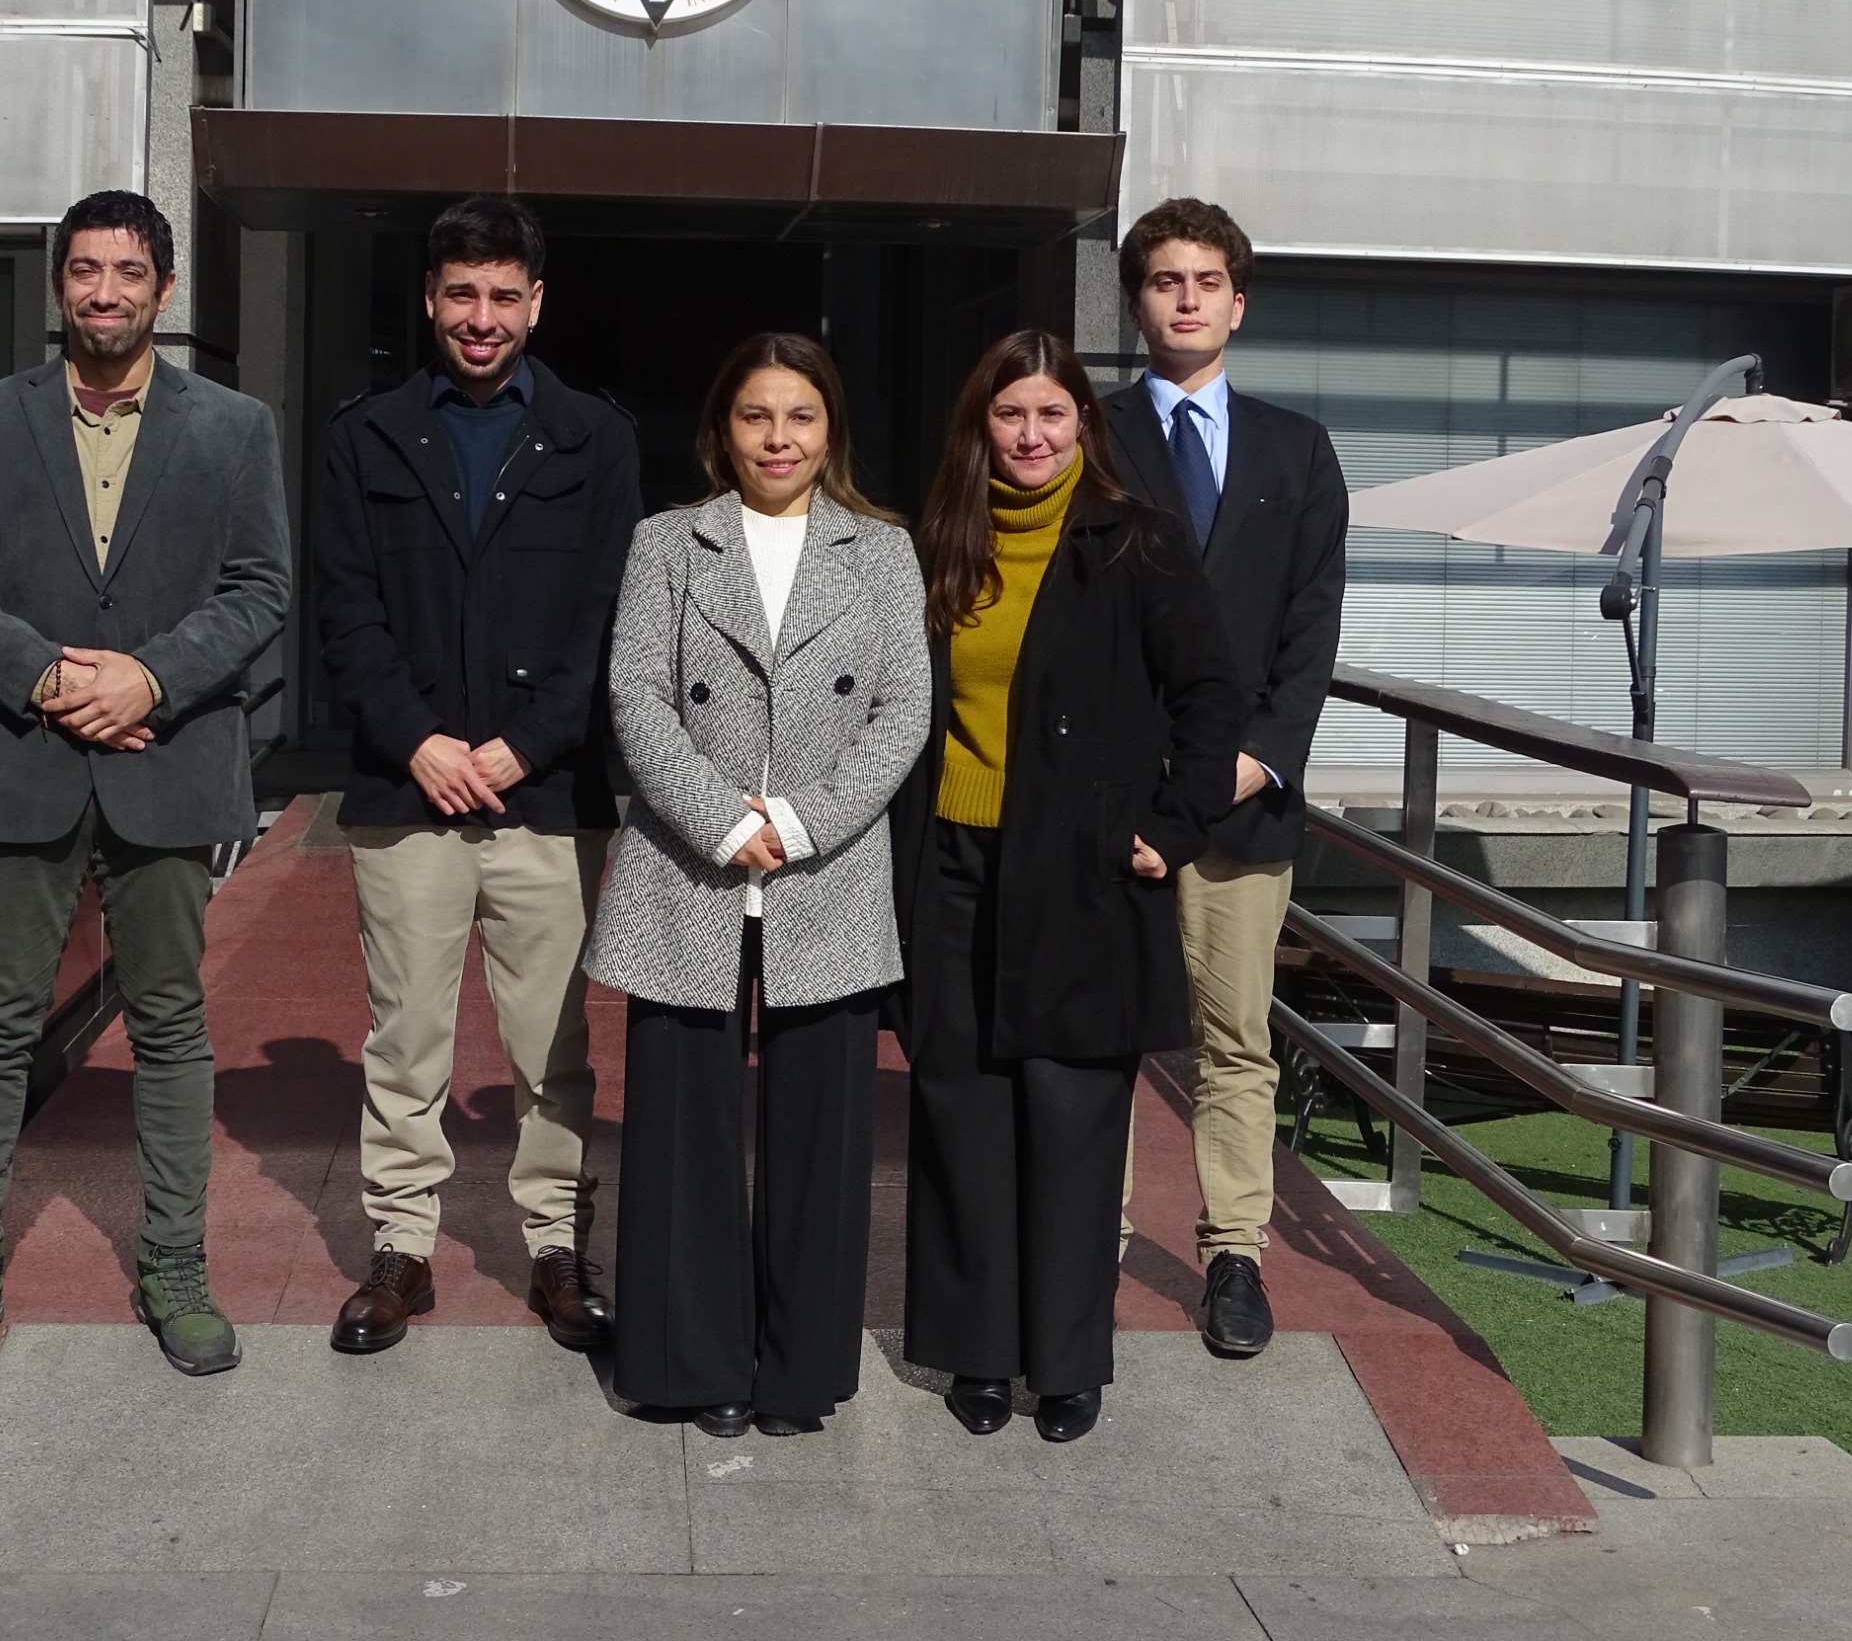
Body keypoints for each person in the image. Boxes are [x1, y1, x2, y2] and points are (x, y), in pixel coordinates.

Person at [0, 189, 291, 1382]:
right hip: (22, 764)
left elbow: (261, 588)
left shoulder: (233, 427)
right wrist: (48, 678)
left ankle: (175, 1264)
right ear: (58, 285)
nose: (105, 292)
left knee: (169, 1023)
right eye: (84, 270)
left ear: (164, 289)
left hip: (166, 764)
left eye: (128, 272)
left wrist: (149, 680)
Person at [892, 330, 1243, 1443]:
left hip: (1084, 869)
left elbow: (1211, 696)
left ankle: (1066, 1362)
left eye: (1052, 414)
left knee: (1071, 1121)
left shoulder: (1137, 539)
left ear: (1083, 424)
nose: (1032, 435)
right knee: (963, 1110)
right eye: (1010, 415)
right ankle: (977, 1352)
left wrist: (1170, 828)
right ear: (980, 426)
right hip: (954, 860)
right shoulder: (939, 541)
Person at [584, 334, 928, 1437]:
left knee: (823, 1141)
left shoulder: (883, 550)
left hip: (828, 870)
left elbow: (904, 711)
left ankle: (799, 1370)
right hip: (689, 867)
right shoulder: (667, 541)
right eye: (755, 416)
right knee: (679, 1130)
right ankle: (689, 1364)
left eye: (800, 417)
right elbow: (636, 694)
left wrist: (801, 820)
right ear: (720, 430)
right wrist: (725, 820)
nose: (778, 439)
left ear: (832, 431)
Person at [312, 197, 640, 1355]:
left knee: (552, 1044)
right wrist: (420, 741)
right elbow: (345, 610)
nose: (482, 316)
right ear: (429, 298)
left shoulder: (596, 439)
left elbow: (610, 616)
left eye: (504, 294)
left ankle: (555, 1247)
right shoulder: (366, 436)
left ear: (536, 302)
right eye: (462, 293)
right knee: (404, 1039)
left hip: (543, 795)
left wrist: (524, 744)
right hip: (406, 791)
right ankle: (401, 1250)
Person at [1103, 199, 1347, 1358]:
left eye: (1206, 281)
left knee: (1233, 1040)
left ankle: (1233, 1256)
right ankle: (1086, 1237)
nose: (1187, 298)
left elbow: (1310, 631)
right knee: (1099, 1029)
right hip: (1112, 802)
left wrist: (1242, 766)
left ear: (1238, 304)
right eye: (1165, 280)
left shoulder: (1297, 450)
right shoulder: (1086, 435)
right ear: (1135, 302)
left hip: (1243, 803)